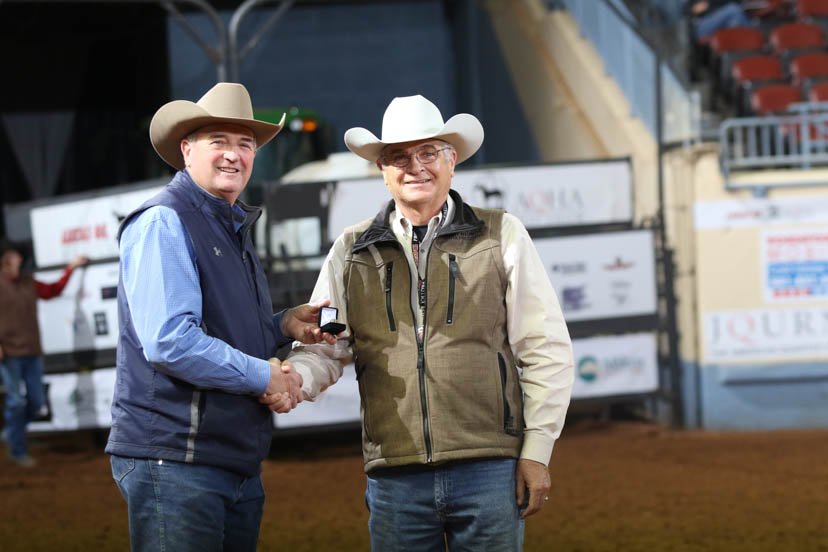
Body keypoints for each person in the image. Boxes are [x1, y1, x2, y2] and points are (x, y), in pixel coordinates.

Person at [285, 95, 575, 550]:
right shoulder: (351, 249)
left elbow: (545, 348)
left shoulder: (502, 234)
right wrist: (292, 379)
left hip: (488, 467)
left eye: (428, 153)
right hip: (395, 474)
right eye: (399, 157)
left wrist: (536, 451)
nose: (415, 167)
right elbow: (325, 343)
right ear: (382, 170)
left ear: (451, 161)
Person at [104, 82, 334, 551]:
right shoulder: (165, 220)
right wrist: (264, 375)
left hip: (221, 458)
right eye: (219, 141)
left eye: (245, 144)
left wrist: (281, 324)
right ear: (186, 149)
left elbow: (220, 328)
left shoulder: (228, 225)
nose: (234, 155)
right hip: (178, 458)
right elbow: (171, 341)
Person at [0, 239, 89, 467]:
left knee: (36, 400)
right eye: (14, 255)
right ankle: (17, 449)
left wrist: (70, 268)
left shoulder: (28, 282)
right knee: (16, 401)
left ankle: (12, 432)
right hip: (8, 353)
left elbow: (53, 290)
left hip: (31, 351)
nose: (18, 259)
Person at [685, 1, 754, 41]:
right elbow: (685, 10)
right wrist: (694, 9)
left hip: (726, 22)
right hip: (702, 25)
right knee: (734, 10)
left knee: (735, 22)